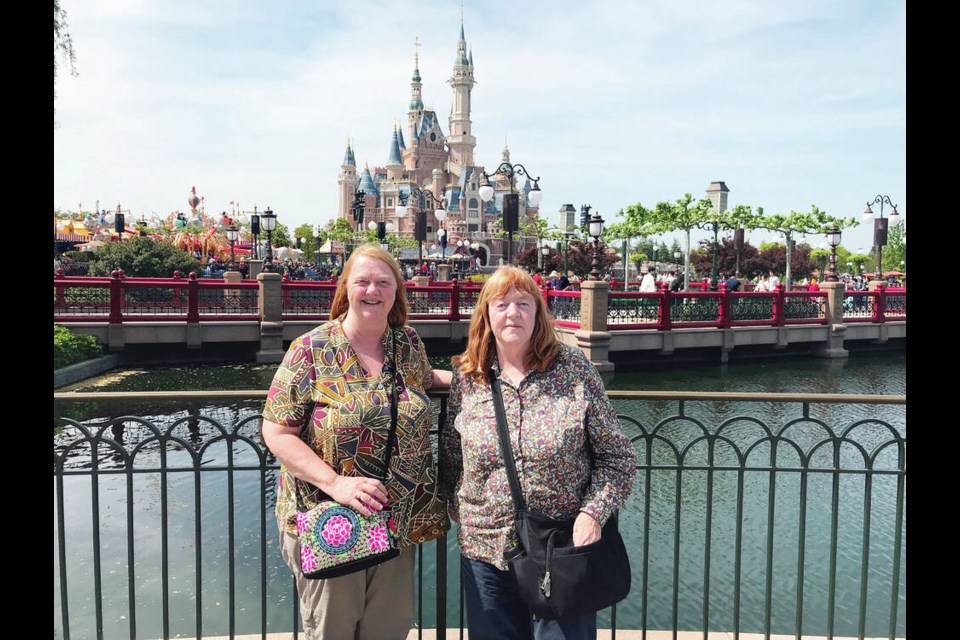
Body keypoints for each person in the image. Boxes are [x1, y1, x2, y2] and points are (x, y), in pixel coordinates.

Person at [261, 244, 452, 640]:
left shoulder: (407, 344)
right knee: (334, 630)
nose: (373, 290)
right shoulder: (310, 350)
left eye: (384, 282)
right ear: (345, 287)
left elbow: (424, 379)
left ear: (396, 292)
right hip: (331, 522)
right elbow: (276, 430)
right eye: (362, 281)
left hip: (395, 521)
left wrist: (483, 378)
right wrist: (336, 484)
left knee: (388, 630)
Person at [439, 266, 637, 640]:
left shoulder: (573, 368)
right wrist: (462, 512)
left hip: (560, 548)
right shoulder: (469, 378)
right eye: (501, 304)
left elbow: (618, 458)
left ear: (538, 313)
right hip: (485, 548)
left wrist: (592, 514)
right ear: (486, 315)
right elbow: (452, 457)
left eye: (523, 304)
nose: (512, 313)